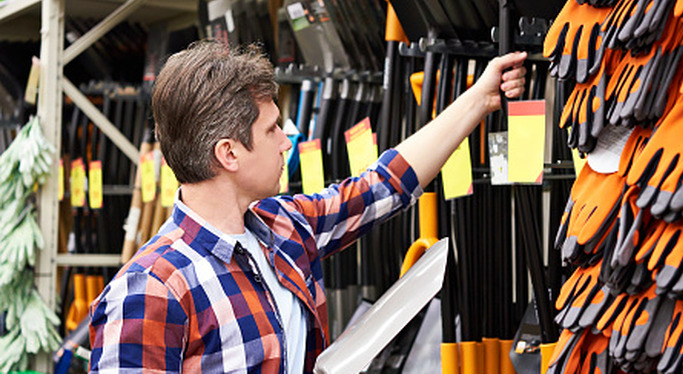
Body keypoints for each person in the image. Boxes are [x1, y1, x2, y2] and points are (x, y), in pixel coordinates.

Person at [89, 41, 527, 373]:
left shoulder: (284, 228)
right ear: (229, 154)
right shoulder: (150, 290)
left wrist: (481, 99)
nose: (286, 141)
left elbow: (384, 185)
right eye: (272, 129)